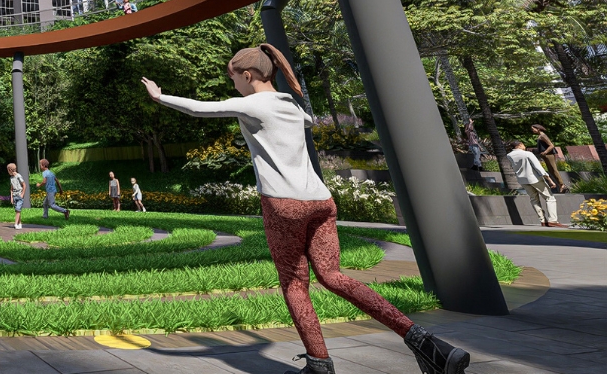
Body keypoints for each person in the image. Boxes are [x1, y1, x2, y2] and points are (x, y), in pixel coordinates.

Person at [141, 43, 470, 374]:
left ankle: (319, 365)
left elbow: (200, 109)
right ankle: (425, 342)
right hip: (321, 202)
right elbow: (309, 121)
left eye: (234, 79)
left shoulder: (252, 104)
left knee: (294, 284)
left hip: (284, 204)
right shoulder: (291, 106)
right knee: (334, 276)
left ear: (247, 75)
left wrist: (159, 96)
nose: (234, 85)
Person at [508, 141, 565, 227]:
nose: (524, 146)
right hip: (534, 179)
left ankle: (543, 220)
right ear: (520, 145)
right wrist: (549, 180)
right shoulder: (527, 154)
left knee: (534, 199)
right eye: (523, 144)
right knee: (550, 198)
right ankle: (553, 220)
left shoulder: (509, 155)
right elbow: (538, 167)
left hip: (522, 180)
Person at [529, 125, 569, 194]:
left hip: (549, 155)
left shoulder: (543, 136)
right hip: (545, 155)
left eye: (533, 129)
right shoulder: (540, 136)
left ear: (538, 129)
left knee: (553, 169)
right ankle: (560, 185)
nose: (532, 130)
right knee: (550, 170)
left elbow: (551, 145)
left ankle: (562, 185)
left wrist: (545, 152)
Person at [8, 162, 27, 229]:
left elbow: (24, 185)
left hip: (19, 195)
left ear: (10, 170)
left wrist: (22, 194)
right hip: (14, 196)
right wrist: (11, 197)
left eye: (8, 170)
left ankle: (15, 224)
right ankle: (19, 223)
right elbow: (11, 188)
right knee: (17, 211)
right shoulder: (11, 178)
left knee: (18, 210)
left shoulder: (18, 176)